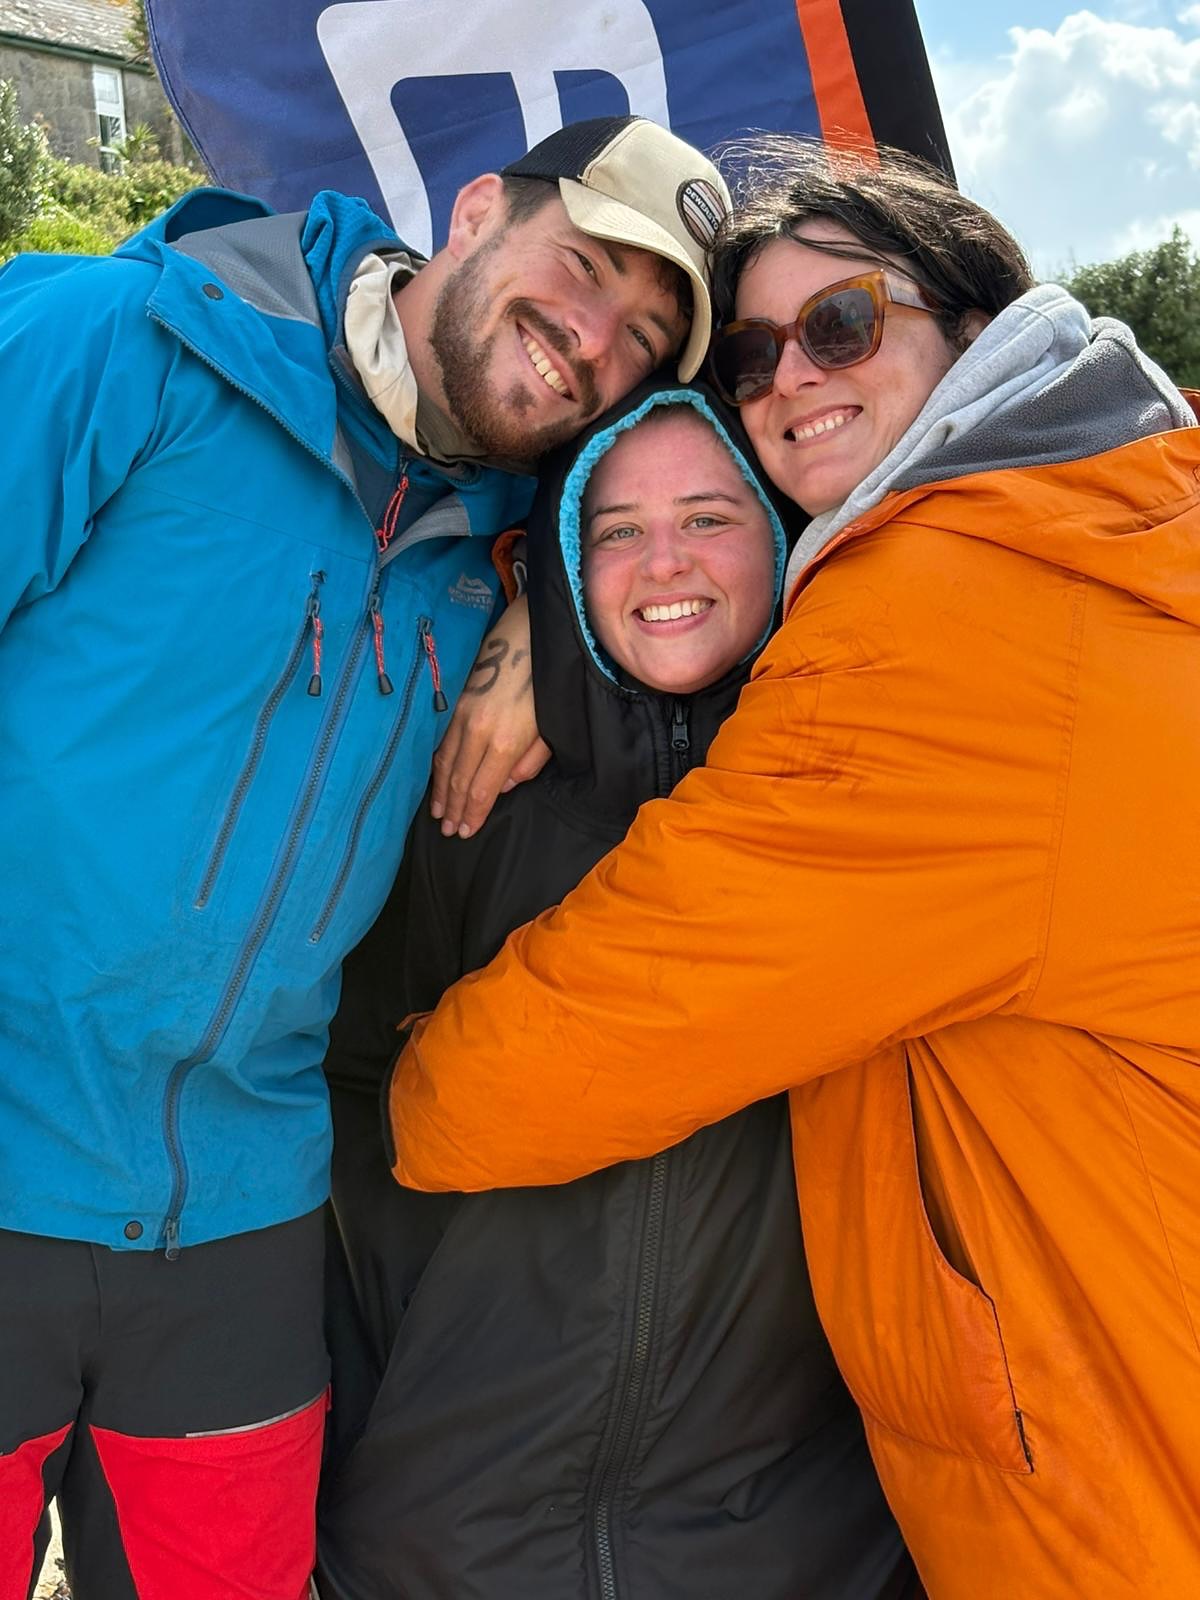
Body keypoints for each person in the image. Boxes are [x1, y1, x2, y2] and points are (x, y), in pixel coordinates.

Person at [388, 136, 1200, 1597]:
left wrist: (412, 1088)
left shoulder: (938, 618)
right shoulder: (1112, 527)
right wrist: (538, 612)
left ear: (972, 316)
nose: (791, 383)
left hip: (1111, 1457)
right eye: (752, 353)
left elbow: (552, 1060)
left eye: (841, 324)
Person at [0, 114, 727, 1600]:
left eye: (642, 339)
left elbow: (727, 514)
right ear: (473, 209)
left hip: (242, 1236)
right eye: (582, 268)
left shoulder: (511, 520)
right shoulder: (117, 339)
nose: (590, 342)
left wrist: (540, 601)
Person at [317, 380, 916, 1599]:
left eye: (709, 518)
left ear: (785, 534)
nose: (662, 564)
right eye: (614, 531)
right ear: (559, 555)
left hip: (800, 1539)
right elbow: (347, 1099)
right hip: (455, 1532)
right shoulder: (464, 791)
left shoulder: (865, 795)